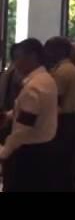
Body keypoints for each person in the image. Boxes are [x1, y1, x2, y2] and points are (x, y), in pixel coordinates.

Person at [0, 39, 58, 191]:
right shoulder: (46, 80)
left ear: (32, 57)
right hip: (43, 148)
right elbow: (28, 111)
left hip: (28, 153)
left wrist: (5, 150)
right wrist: (9, 115)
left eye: (18, 58)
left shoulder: (33, 87)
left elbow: (23, 128)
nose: (16, 63)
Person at [45, 37, 75, 191]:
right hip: (70, 119)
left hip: (63, 120)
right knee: (68, 161)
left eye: (50, 49)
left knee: (61, 161)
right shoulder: (70, 68)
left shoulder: (62, 71)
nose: (47, 53)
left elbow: (56, 99)